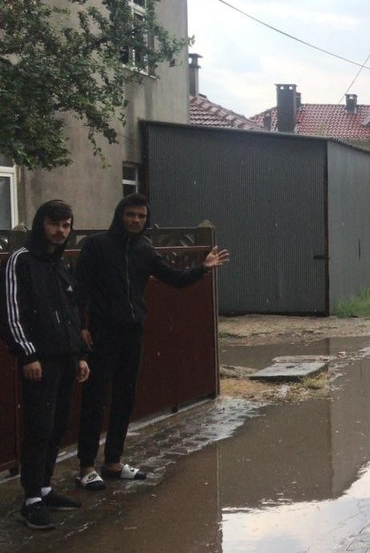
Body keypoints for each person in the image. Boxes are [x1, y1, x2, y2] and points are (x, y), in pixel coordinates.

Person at [73, 193, 229, 489]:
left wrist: (202, 268)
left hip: (132, 332)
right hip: (102, 333)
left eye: (141, 216)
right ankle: (86, 467)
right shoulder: (96, 245)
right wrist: (81, 326)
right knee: (95, 399)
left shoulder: (145, 249)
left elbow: (174, 278)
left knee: (125, 396)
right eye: (131, 214)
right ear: (120, 215)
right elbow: (80, 289)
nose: (136, 220)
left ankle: (114, 463)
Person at [2, 200, 90, 529]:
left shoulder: (60, 264)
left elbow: (71, 313)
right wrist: (28, 354)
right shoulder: (20, 261)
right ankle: (31, 500)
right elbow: (11, 313)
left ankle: (45, 486)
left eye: (66, 225)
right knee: (38, 427)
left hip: (66, 358)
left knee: (57, 425)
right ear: (42, 224)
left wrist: (80, 355)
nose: (60, 231)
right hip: (39, 361)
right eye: (54, 224)